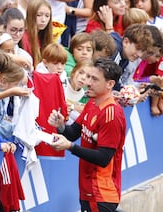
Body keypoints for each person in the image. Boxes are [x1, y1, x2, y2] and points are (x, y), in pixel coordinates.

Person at [48, 58, 126, 212]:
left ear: (110, 84)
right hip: (87, 190)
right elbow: (73, 133)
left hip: (101, 194)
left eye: (94, 79)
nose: (88, 82)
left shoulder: (112, 114)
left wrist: (70, 147)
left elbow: (103, 158)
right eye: (88, 77)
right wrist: (61, 126)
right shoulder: (91, 103)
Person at [20, 0, 53, 67]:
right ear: (31, 15)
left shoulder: (44, 36)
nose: (43, 20)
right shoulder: (23, 37)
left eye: (47, 16)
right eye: (39, 15)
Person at [65, 59, 91, 125]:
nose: (83, 78)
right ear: (74, 71)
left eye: (88, 76)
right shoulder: (62, 84)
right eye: (81, 72)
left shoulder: (84, 95)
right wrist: (73, 107)